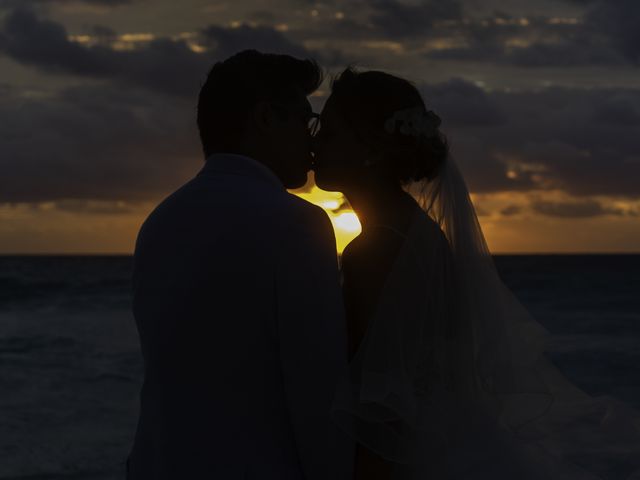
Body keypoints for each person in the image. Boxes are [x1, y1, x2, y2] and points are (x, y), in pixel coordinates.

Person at [312, 67, 640, 479]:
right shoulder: (413, 230)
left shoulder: (379, 248)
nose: (314, 144)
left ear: (372, 149)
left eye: (329, 132)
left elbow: (385, 405)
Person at [126, 50, 354, 480]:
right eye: (305, 121)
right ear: (266, 118)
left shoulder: (159, 221)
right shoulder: (295, 222)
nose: (311, 141)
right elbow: (318, 389)